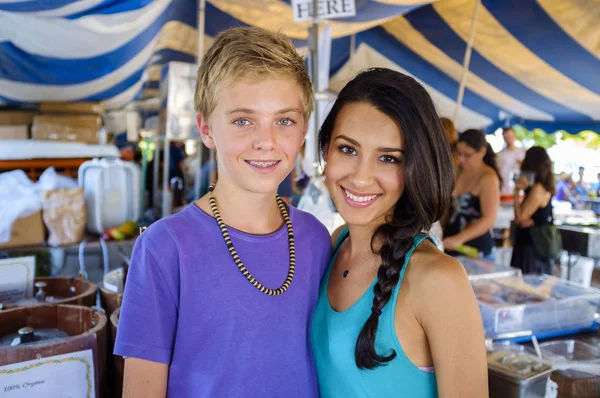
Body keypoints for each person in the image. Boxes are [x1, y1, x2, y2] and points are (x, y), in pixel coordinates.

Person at [115, 27, 332, 397]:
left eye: (284, 120)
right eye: (243, 120)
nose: (266, 141)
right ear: (206, 128)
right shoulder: (164, 248)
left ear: (304, 132)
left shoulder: (316, 238)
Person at [311, 68, 488, 397]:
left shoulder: (438, 278)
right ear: (325, 151)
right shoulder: (336, 243)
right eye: (348, 149)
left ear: (415, 168)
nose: (361, 178)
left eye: (388, 158)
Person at [443, 129, 501, 260]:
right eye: (459, 154)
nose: (462, 159)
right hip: (451, 248)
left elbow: (489, 219)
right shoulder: (459, 170)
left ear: (482, 152)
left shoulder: (488, 178)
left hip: (476, 251)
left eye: (467, 155)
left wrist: (459, 238)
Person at [511, 147, 556, 274]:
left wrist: (516, 192)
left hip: (530, 247)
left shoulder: (538, 189)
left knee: (526, 286)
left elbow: (519, 218)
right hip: (533, 245)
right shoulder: (543, 187)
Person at [497, 127, 525, 196]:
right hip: (503, 189)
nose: (508, 138)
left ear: (515, 136)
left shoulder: (522, 152)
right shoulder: (499, 154)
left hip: (518, 189)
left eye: (510, 136)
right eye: (506, 136)